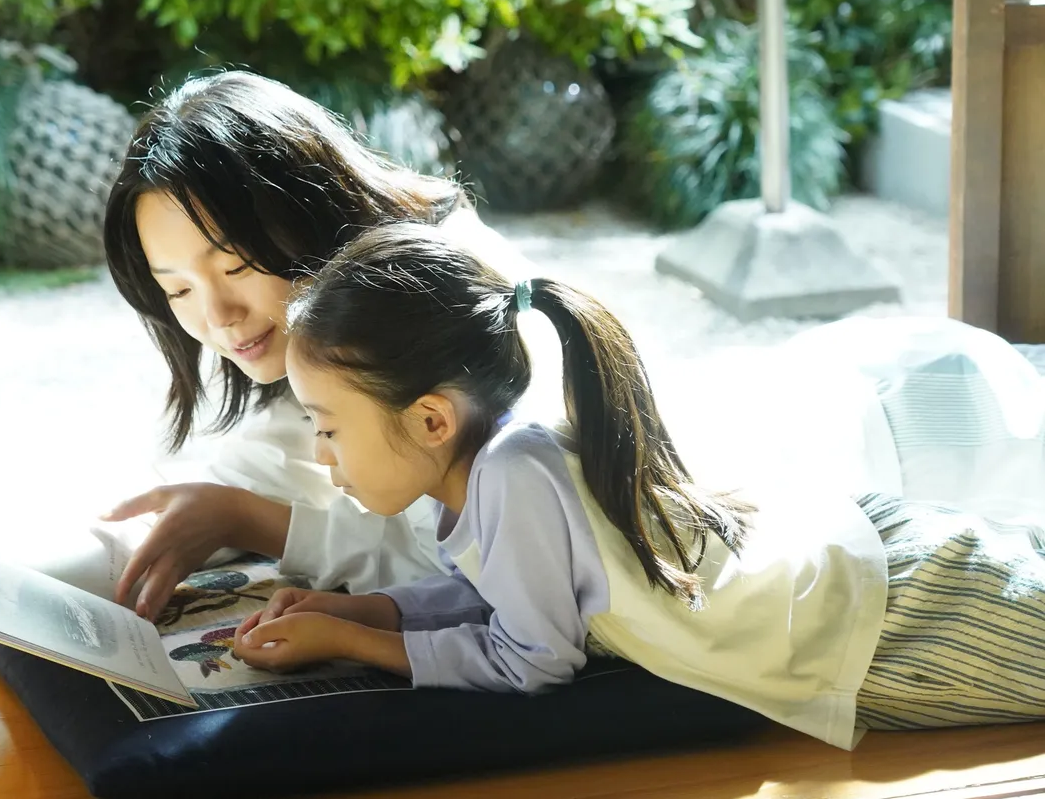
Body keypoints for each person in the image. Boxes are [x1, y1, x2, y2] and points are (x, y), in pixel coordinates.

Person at [231, 224, 1045, 751]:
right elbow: (508, 601)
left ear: (432, 420)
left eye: (328, 425)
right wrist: (367, 608)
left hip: (897, 618)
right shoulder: (498, 469)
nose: (320, 450)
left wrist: (351, 641)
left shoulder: (516, 473)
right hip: (866, 583)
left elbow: (529, 660)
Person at [99, 70, 564, 620]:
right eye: (177, 288)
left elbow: (468, 566)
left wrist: (245, 519)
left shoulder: (439, 304)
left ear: (310, 214)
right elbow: (273, 461)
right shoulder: (338, 322)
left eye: (237, 266)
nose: (218, 317)